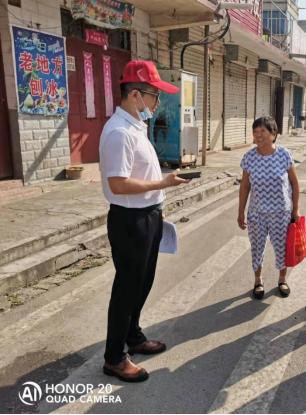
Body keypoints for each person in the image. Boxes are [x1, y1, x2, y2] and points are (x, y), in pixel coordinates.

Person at [100, 60, 189, 382]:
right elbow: (118, 184)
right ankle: (114, 358)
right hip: (130, 220)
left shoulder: (136, 126)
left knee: (142, 283)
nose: (158, 102)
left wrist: (158, 203)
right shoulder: (118, 132)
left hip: (147, 215)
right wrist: (162, 184)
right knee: (126, 289)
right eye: (155, 95)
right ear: (135, 94)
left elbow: (140, 175)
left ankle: (133, 336)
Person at [238, 116, 301, 300]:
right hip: (257, 213)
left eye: (262, 131)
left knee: (282, 248)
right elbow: (245, 186)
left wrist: (295, 209)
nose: (258, 135)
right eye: (255, 131)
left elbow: (294, 183)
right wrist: (241, 211)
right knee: (257, 247)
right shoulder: (249, 157)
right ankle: (258, 280)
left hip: (281, 213)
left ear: (274, 133)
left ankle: (282, 279)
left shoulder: (284, 154)